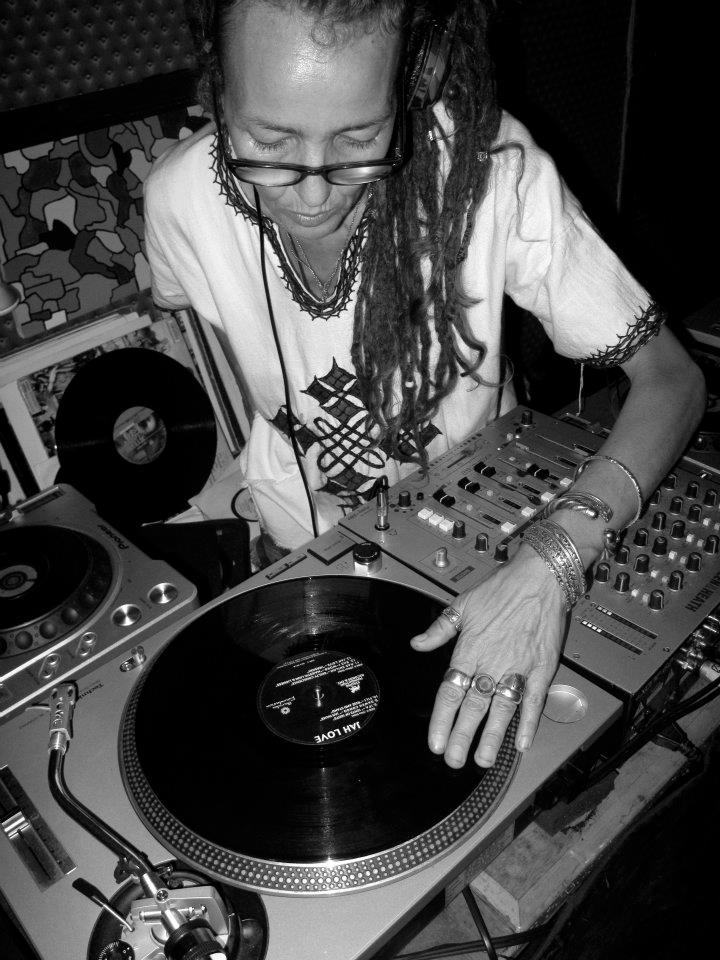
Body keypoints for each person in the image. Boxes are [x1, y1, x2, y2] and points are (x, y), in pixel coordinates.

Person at [144, 0, 705, 771]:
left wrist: (552, 563)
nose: (313, 193)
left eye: (359, 139)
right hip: (295, 539)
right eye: (268, 143)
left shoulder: (487, 166)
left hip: (490, 547)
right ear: (215, 88)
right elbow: (229, 346)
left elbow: (673, 380)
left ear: (413, 76)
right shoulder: (178, 199)